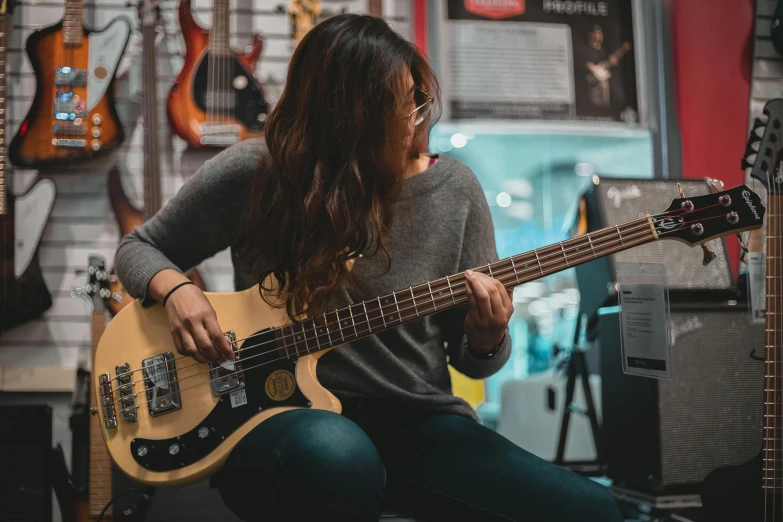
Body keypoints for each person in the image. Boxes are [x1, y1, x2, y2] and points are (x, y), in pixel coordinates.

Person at [115, 14, 623, 522]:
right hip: (266, 416)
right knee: (338, 455)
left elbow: (472, 363)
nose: (418, 119)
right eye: (403, 106)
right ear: (349, 118)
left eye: (419, 99)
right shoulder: (258, 172)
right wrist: (177, 290)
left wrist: (487, 336)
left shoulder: (455, 191)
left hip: (415, 424)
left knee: (594, 510)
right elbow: (139, 249)